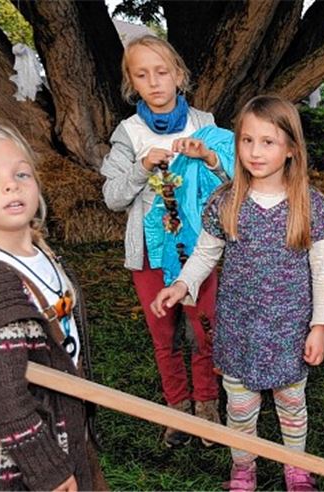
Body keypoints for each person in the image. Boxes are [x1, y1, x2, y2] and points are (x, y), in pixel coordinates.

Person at [151, 95, 324, 492]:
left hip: (290, 329)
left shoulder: (310, 205)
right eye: (246, 140)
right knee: (240, 407)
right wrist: (182, 284)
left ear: (290, 149)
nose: (255, 152)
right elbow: (204, 254)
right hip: (239, 329)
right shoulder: (225, 201)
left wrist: (319, 326)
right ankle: (243, 468)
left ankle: (296, 467)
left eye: (268, 142)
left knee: (291, 404)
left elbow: (323, 273)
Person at [0, 121, 105, 491]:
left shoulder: (39, 251)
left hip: (66, 429)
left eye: (21, 172)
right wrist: (47, 469)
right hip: (21, 464)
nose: (11, 184)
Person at [100, 34, 226, 448]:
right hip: (151, 256)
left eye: (161, 72)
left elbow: (230, 184)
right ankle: (177, 409)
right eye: (142, 75)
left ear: (178, 75)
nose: (154, 82)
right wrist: (140, 168)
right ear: (131, 82)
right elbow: (113, 197)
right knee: (165, 333)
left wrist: (209, 159)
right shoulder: (128, 133)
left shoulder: (204, 124)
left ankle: (207, 405)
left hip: (199, 253)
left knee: (202, 328)